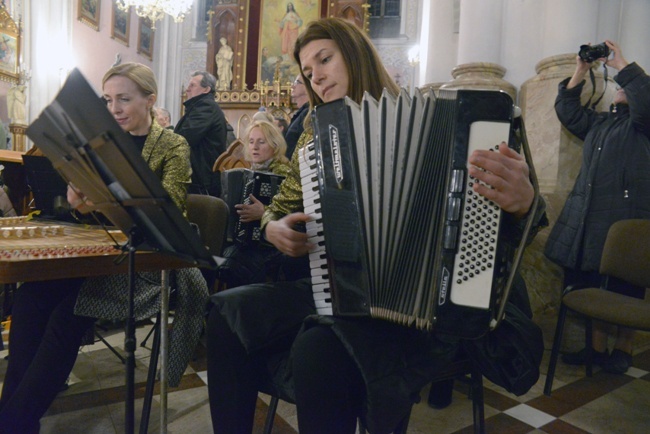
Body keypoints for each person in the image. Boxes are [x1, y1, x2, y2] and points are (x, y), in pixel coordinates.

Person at [206, 17, 547, 434]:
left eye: (325, 60)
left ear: (355, 54)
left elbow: (523, 221)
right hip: (339, 290)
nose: (316, 78)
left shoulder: (444, 120)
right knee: (226, 312)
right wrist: (274, 226)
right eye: (308, 72)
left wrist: (523, 201)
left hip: (432, 303)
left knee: (320, 347)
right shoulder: (315, 137)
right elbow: (277, 207)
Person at [0, 63, 209, 434]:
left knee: (68, 316)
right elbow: (76, 210)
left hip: (142, 261)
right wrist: (74, 202)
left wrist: (107, 201)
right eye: (108, 99)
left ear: (150, 100)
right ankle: (17, 419)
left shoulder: (173, 144)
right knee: (30, 301)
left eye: (124, 99)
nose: (113, 109)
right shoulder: (96, 142)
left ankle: (13, 422)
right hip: (95, 254)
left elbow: (169, 210)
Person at [544, 40, 650, 374]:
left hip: (625, 220)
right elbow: (568, 110)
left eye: (624, 87)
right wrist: (581, 68)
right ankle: (595, 349)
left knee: (625, 286)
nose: (619, 88)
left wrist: (621, 64)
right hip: (588, 215)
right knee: (587, 278)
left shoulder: (642, 125)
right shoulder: (601, 124)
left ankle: (623, 349)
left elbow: (645, 102)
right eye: (617, 86)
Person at [217, 120, 291, 288]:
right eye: (251, 142)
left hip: (270, 246)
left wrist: (264, 212)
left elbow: (295, 213)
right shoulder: (247, 172)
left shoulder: (284, 174)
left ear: (274, 145)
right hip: (244, 244)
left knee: (233, 263)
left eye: (261, 142)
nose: (254, 147)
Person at [174, 71, 228, 197]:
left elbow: (184, 137)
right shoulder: (199, 106)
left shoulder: (206, 106)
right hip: (199, 178)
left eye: (192, 85)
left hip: (202, 181)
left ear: (206, 89)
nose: (187, 89)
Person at [283, 74, 309, 158]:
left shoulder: (308, 114)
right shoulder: (302, 112)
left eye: (297, 82)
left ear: (307, 86)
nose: (292, 86)